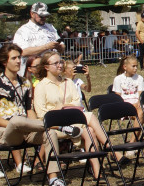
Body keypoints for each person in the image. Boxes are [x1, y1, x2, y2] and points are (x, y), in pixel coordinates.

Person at [0, 44, 73, 186]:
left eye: (19, 57)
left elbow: (29, 109)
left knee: (49, 134)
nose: (19, 61)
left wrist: (33, 123)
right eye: (14, 58)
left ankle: (53, 179)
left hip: (28, 129)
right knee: (16, 121)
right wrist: (15, 124)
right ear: (5, 62)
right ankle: (58, 126)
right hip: (8, 132)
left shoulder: (25, 83)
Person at [32, 51, 104, 179]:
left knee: (90, 130)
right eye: (55, 63)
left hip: (73, 120)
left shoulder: (68, 82)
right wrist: (60, 109)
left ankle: (97, 172)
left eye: (60, 62)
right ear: (46, 67)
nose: (60, 65)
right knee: (90, 120)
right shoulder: (41, 86)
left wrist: (65, 109)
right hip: (55, 126)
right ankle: (109, 148)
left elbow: (77, 102)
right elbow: (41, 113)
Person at [12, 3, 65, 74]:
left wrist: (59, 47)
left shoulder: (51, 27)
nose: (44, 18)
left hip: (52, 71)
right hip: (33, 72)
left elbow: (62, 47)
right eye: (41, 16)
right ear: (32, 14)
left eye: (45, 16)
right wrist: (46, 47)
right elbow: (22, 52)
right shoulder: (23, 31)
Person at [113, 55, 144, 134]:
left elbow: (141, 95)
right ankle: (135, 142)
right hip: (125, 105)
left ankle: (133, 141)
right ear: (125, 67)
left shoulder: (139, 78)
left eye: (136, 66)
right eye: (133, 66)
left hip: (137, 105)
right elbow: (117, 97)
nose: (135, 68)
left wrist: (138, 103)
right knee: (140, 116)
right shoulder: (118, 79)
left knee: (140, 114)